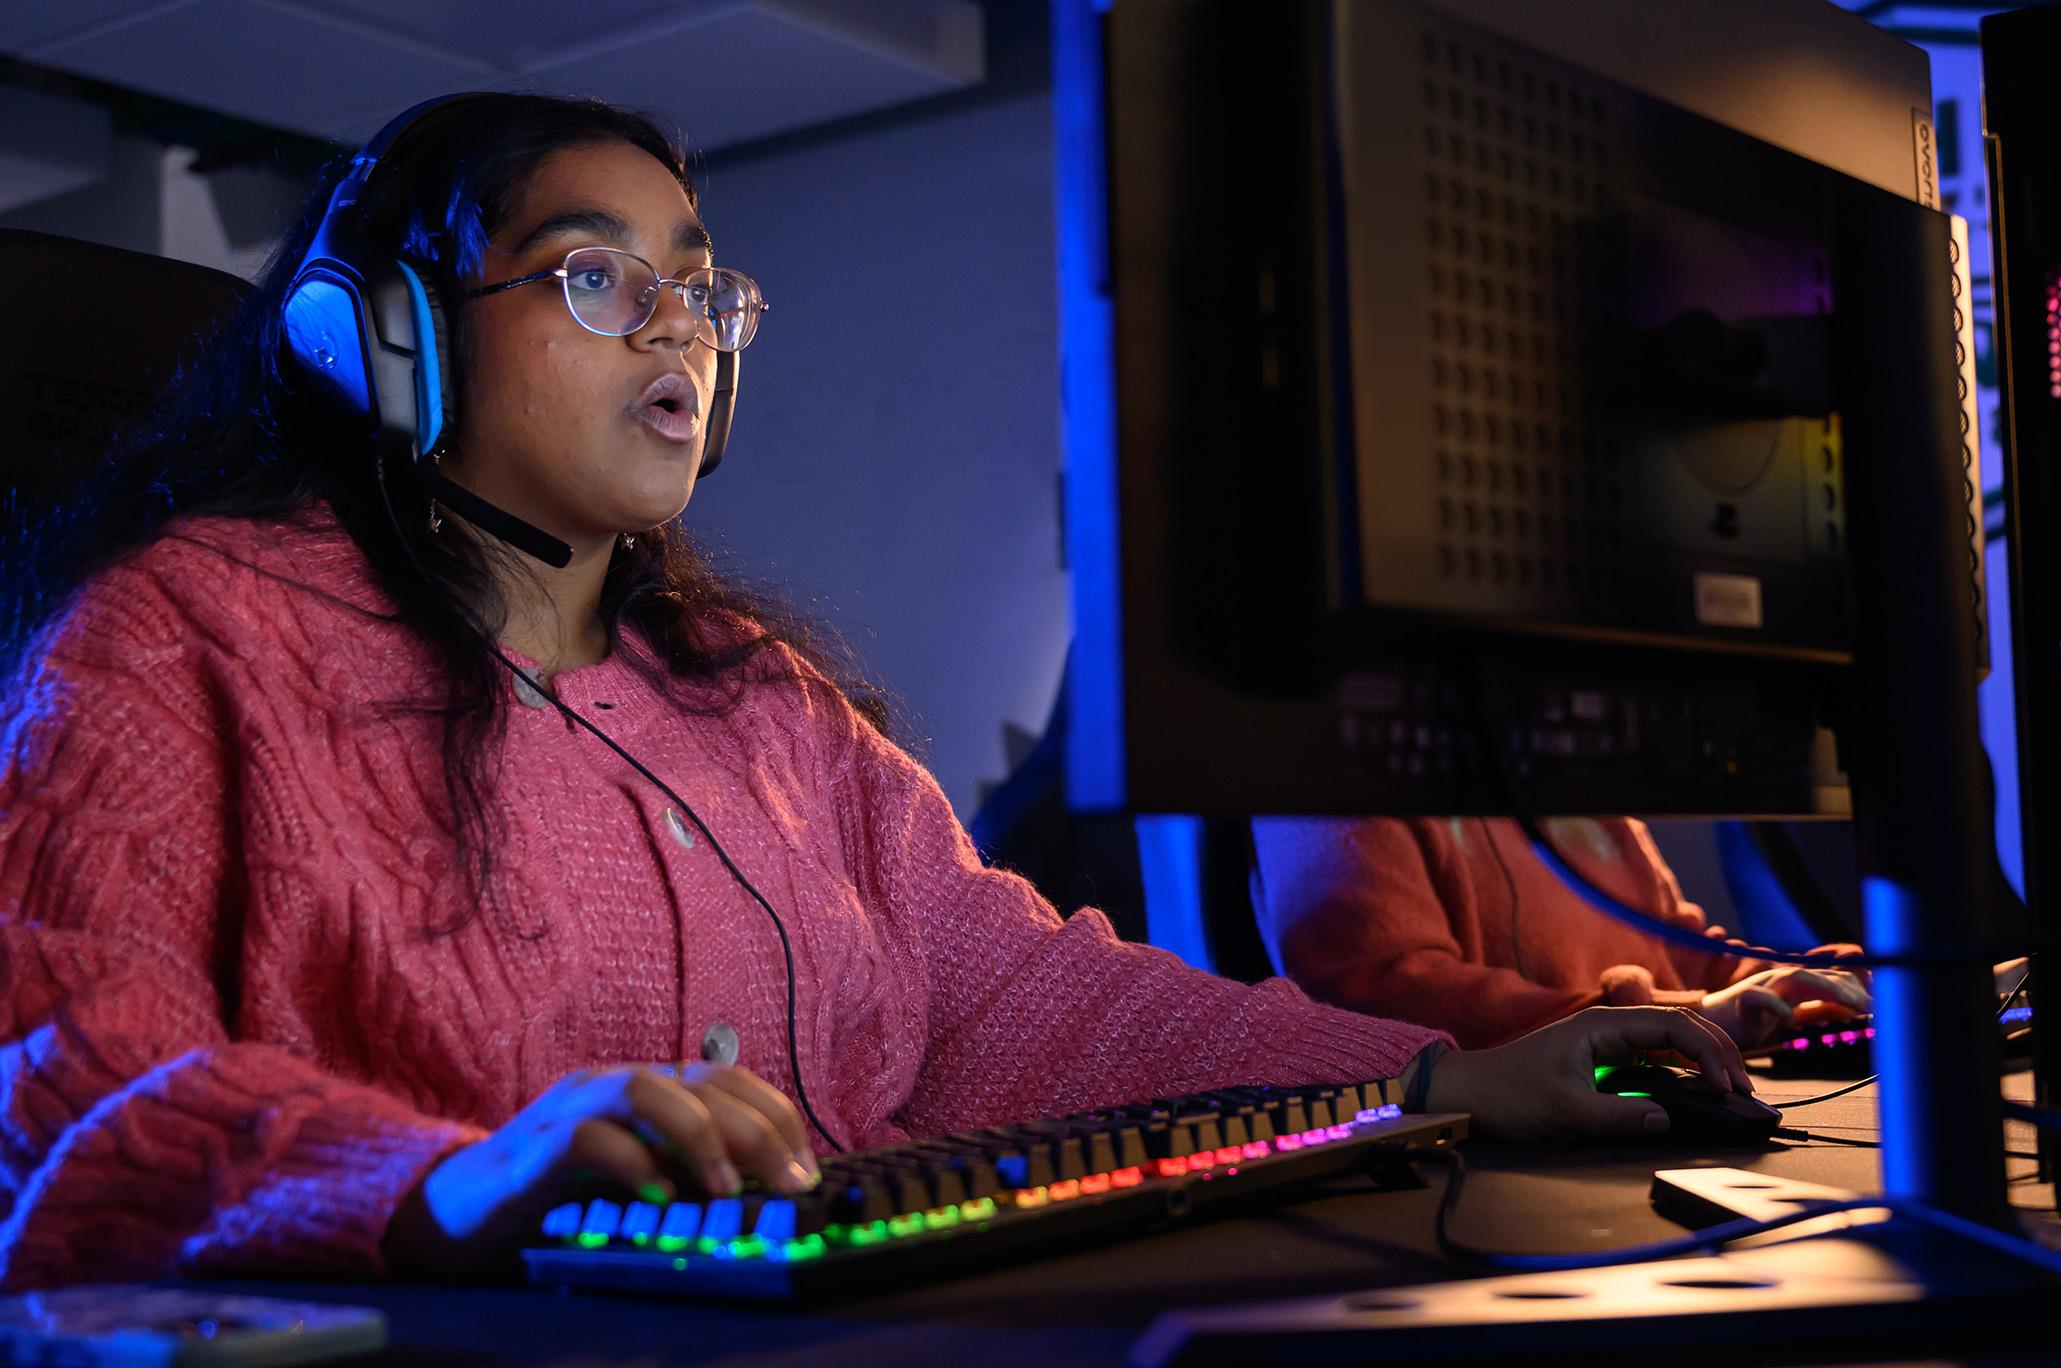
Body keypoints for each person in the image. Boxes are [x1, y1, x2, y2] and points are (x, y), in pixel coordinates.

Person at [0, 94, 1761, 1290]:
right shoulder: (177, 637)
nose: (678, 327)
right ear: (379, 337)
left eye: (702, 288)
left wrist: (1451, 1075)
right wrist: (447, 1179)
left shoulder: (754, 700)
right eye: (599, 275)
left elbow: (1014, 996)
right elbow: (61, 1087)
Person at [1251, 816, 1875, 1050]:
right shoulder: (1342, 774)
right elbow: (1387, 997)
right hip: (1495, 1173)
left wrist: (1802, 982)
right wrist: (1691, 1018)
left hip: (1637, 1120)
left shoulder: (1581, 786)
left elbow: (1693, 958)